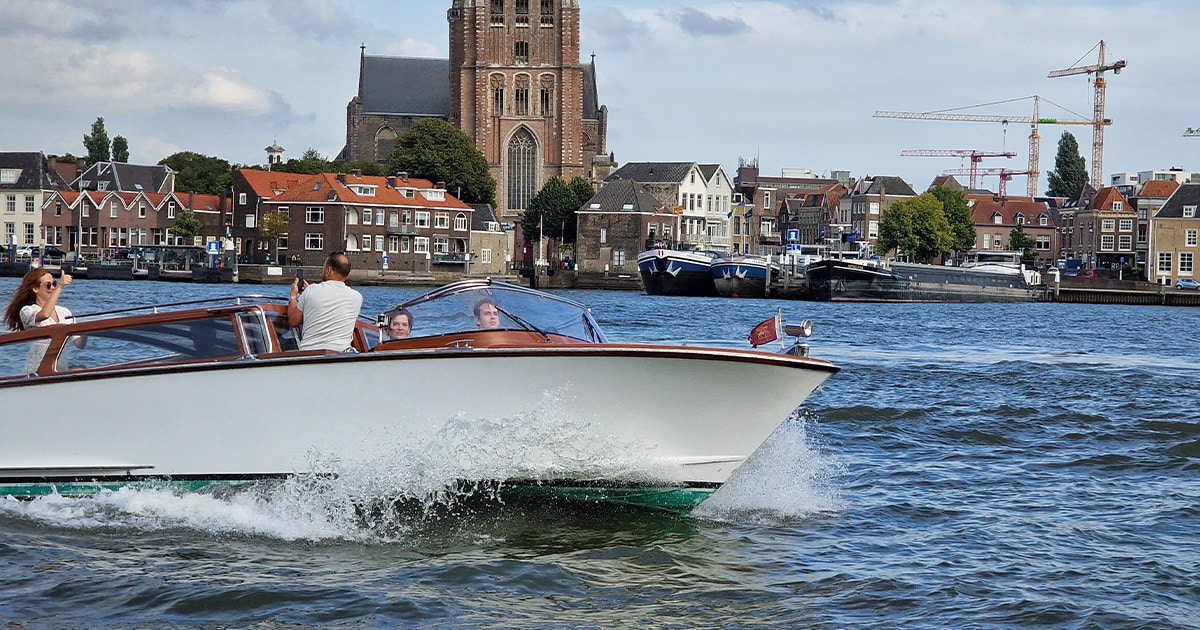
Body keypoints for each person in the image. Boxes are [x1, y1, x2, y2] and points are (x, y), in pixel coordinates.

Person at [287, 252, 363, 352]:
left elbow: (293, 320)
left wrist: (293, 296)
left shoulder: (311, 291)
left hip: (309, 354)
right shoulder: (357, 297)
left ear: (328, 270)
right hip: (339, 355)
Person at [4, 268, 76, 372]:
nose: (52, 288)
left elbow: (80, 344)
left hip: (61, 370)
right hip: (37, 371)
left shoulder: (64, 312)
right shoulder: (27, 310)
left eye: (54, 284)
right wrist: (60, 287)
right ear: (35, 289)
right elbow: (44, 314)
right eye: (48, 285)